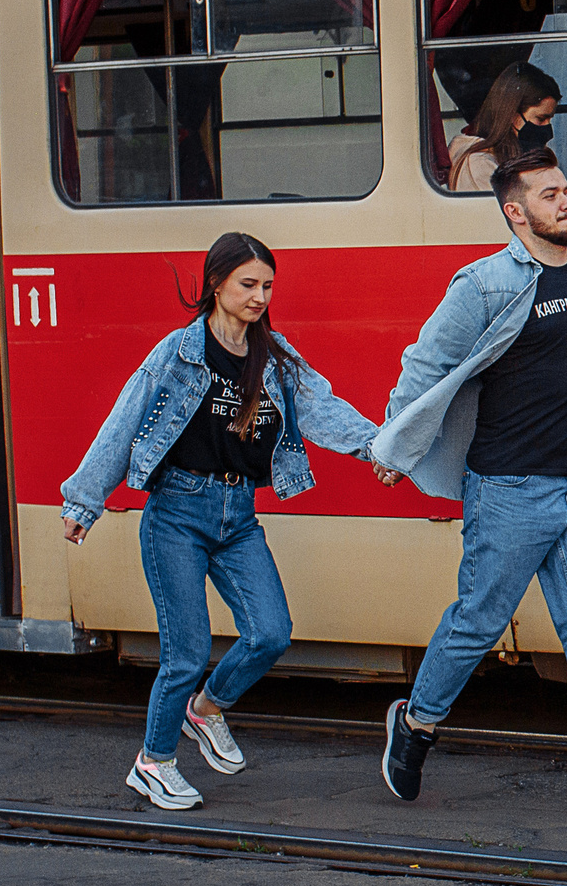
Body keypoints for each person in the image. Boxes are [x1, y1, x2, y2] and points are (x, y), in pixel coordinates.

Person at [369, 147, 567, 810]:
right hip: (510, 488)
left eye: (566, 190)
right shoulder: (484, 285)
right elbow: (426, 363)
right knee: (478, 622)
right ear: (515, 212)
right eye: (548, 195)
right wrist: (397, 442)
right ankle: (416, 725)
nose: (566, 202)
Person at [59, 233, 380, 811]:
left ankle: (205, 709)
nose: (260, 297)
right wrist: (84, 502)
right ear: (215, 284)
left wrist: (380, 449)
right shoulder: (180, 351)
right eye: (248, 284)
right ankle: (153, 763)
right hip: (177, 515)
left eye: (268, 286)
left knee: (270, 633)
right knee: (186, 652)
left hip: (239, 515)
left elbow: (323, 409)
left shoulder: (274, 357)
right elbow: (125, 419)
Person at [446, 62, 562, 196]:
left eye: (549, 119)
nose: (547, 128)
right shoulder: (477, 164)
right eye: (541, 119)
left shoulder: (511, 153)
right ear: (512, 115)